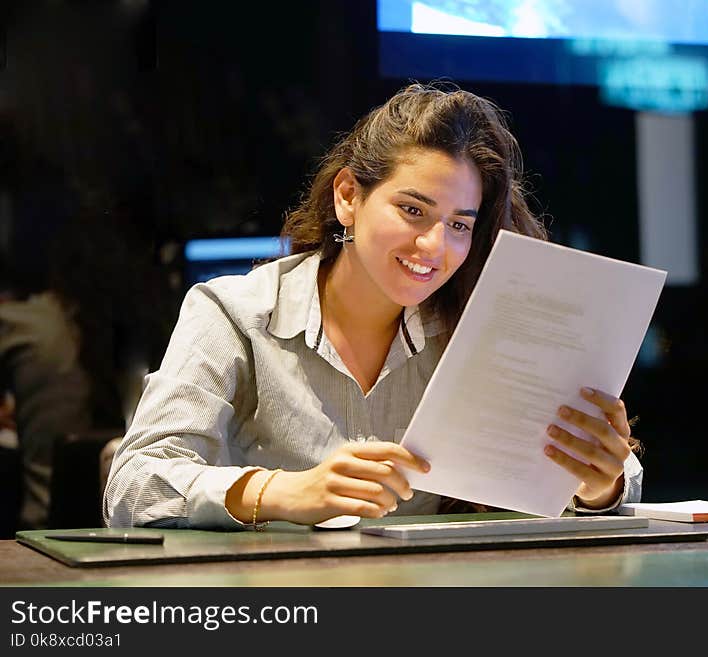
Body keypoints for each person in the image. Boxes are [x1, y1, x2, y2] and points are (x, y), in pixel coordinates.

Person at [103, 82, 643, 529]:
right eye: (413, 210)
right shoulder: (234, 312)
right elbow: (132, 486)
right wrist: (282, 492)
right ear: (347, 197)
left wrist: (599, 483)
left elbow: (617, 482)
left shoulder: (477, 322)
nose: (436, 247)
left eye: (459, 225)